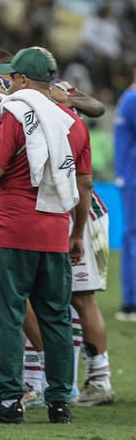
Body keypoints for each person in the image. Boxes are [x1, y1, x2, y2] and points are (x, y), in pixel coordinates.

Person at [0, 47, 90, 425]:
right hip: (56, 230)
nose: (9, 83)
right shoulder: (73, 124)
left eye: (12, 77)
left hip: (12, 229)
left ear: (24, 80)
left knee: (9, 317)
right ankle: (60, 402)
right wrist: (77, 233)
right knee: (57, 318)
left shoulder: (14, 112)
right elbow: (84, 183)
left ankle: (10, 401)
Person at [115, 66, 136, 320]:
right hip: (132, 179)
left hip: (129, 177)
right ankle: (131, 302)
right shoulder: (132, 99)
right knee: (133, 238)